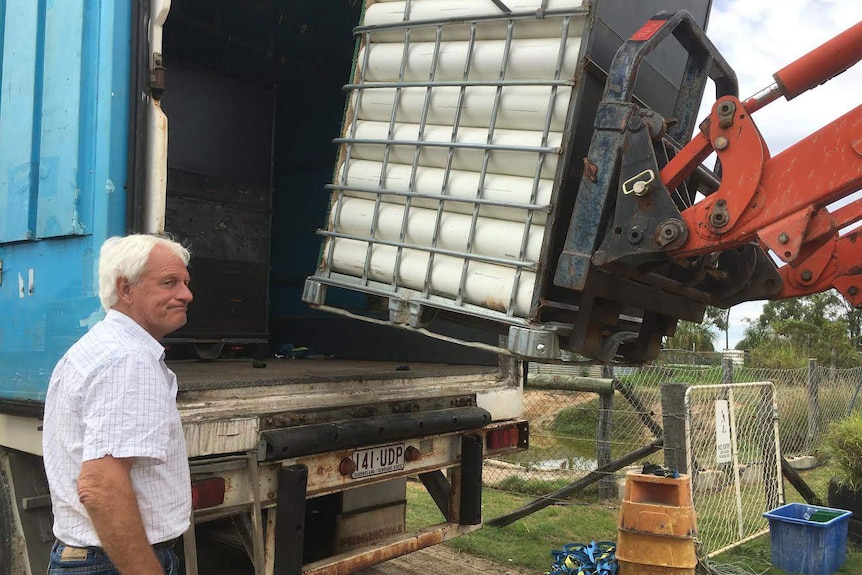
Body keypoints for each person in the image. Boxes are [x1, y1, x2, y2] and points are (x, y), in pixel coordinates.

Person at [42, 234, 194, 575]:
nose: (186, 294)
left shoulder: (105, 346)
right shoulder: (128, 360)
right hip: (111, 564)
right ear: (126, 289)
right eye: (169, 282)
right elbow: (100, 486)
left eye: (185, 282)